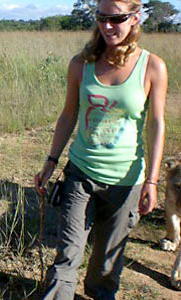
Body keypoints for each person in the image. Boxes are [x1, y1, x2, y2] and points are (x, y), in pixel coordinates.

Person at [34, 0, 167, 299]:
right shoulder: (81, 64)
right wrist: (51, 162)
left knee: (106, 267)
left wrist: (152, 181)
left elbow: (157, 124)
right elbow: (68, 115)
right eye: (101, 18)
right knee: (67, 256)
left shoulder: (152, 66)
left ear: (136, 17)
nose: (107, 26)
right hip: (80, 174)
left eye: (116, 19)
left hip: (127, 182)